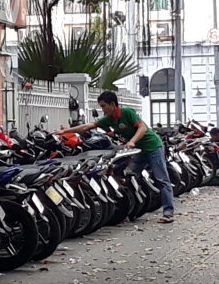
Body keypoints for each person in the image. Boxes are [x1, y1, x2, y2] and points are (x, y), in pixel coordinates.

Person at [54, 90, 176, 223]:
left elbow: (143, 128)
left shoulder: (127, 112)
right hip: (139, 150)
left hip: (153, 147)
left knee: (162, 179)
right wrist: (65, 131)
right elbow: (87, 126)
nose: (103, 110)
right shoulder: (109, 119)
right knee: (130, 177)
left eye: (104, 106)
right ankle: (135, 207)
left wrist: (132, 141)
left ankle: (168, 212)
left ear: (112, 104)